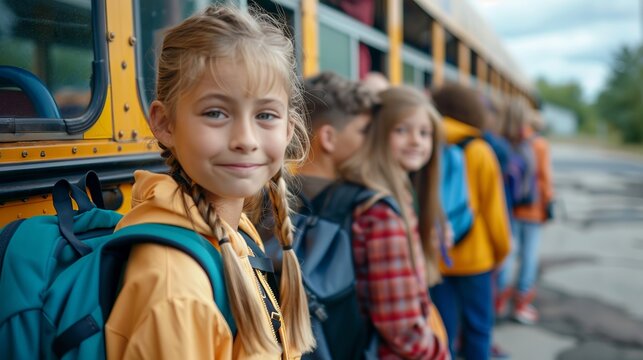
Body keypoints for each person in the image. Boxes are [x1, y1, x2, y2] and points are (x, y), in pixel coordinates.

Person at [105, 6, 315, 359]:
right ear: (165, 123)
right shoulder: (176, 288)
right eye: (216, 112)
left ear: (287, 130)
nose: (246, 139)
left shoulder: (233, 227)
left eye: (265, 115)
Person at [340, 86, 449, 359]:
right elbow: (401, 328)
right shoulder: (383, 213)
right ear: (378, 133)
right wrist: (439, 354)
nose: (416, 141)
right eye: (402, 130)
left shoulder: (398, 196)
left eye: (425, 133)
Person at [429, 83, 511, 360]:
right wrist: (501, 252)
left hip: (436, 256)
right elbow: (494, 212)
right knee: (479, 329)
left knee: (442, 332)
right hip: (476, 258)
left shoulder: (426, 142)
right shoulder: (480, 150)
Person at [496, 98, 554, 325]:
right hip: (532, 209)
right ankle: (520, 304)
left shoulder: (502, 141)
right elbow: (545, 179)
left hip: (508, 208)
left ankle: (499, 301)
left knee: (508, 254)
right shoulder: (538, 144)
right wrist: (549, 202)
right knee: (529, 256)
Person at [296, 71, 376, 200]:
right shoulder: (361, 204)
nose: (371, 139)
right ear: (328, 138)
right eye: (364, 131)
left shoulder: (270, 198)